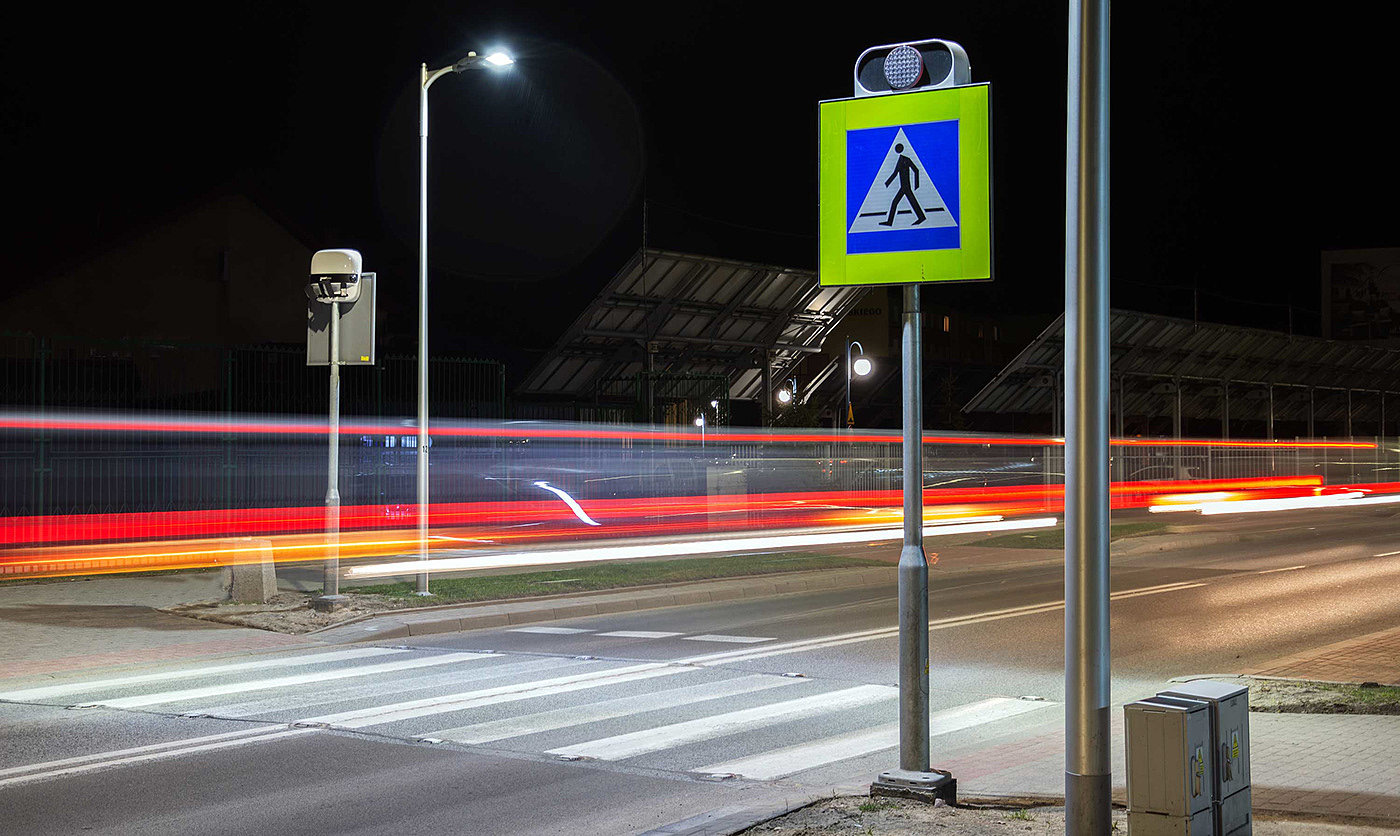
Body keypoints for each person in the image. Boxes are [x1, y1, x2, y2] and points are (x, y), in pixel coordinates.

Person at [879, 143, 927, 227]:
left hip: (906, 187)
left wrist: (917, 184)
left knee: (901, 202)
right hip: (903, 187)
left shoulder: (906, 159)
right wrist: (887, 183)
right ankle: (890, 222)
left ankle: (921, 217)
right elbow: (895, 173)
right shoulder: (899, 160)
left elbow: (916, 170)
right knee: (897, 202)